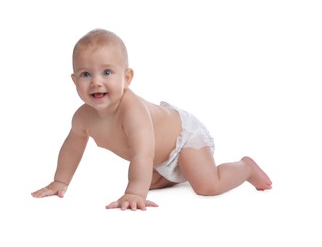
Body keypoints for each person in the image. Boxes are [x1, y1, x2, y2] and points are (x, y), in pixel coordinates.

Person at [31, 28, 272, 211]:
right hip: (161, 158)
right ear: (74, 81)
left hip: (183, 138)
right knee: (150, 180)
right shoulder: (83, 117)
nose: (96, 81)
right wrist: (59, 181)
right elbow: (73, 147)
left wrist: (135, 192)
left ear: (127, 78)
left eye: (107, 72)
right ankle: (173, 175)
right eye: (86, 74)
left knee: (206, 186)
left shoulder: (132, 110)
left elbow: (143, 153)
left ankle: (246, 168)